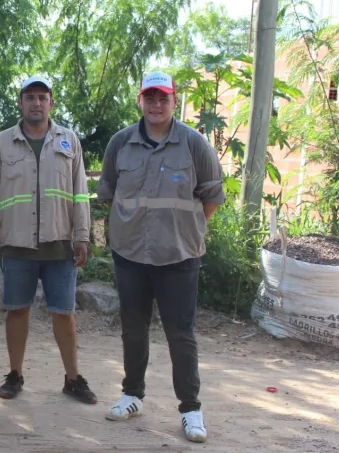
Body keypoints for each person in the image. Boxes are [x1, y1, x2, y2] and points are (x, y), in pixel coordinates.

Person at [97, 71, 225, 443]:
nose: (156, 104)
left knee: (180, 335)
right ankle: (132, 395)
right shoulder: (121, 143)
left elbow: (212, 197)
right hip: (131, 254)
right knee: (133, 328)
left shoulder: (193, 144)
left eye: (163, 98)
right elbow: (109, 193)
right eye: (150, 97)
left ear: (174, 101)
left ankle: (191, 409)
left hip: (179, 256)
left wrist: (186, 230)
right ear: (140, 100)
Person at [0, 76, 96, 404]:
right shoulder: (2, 143)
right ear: (21, 102)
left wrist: (82, 235)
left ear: (51, 103)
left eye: (42, 97)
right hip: (16, 244)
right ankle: (15, 375)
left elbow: (80, 193)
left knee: (64, 313)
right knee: (17, 311)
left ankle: (72, 379)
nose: (36, 103)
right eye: (29, 97)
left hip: (60, 244)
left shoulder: (68, 141)